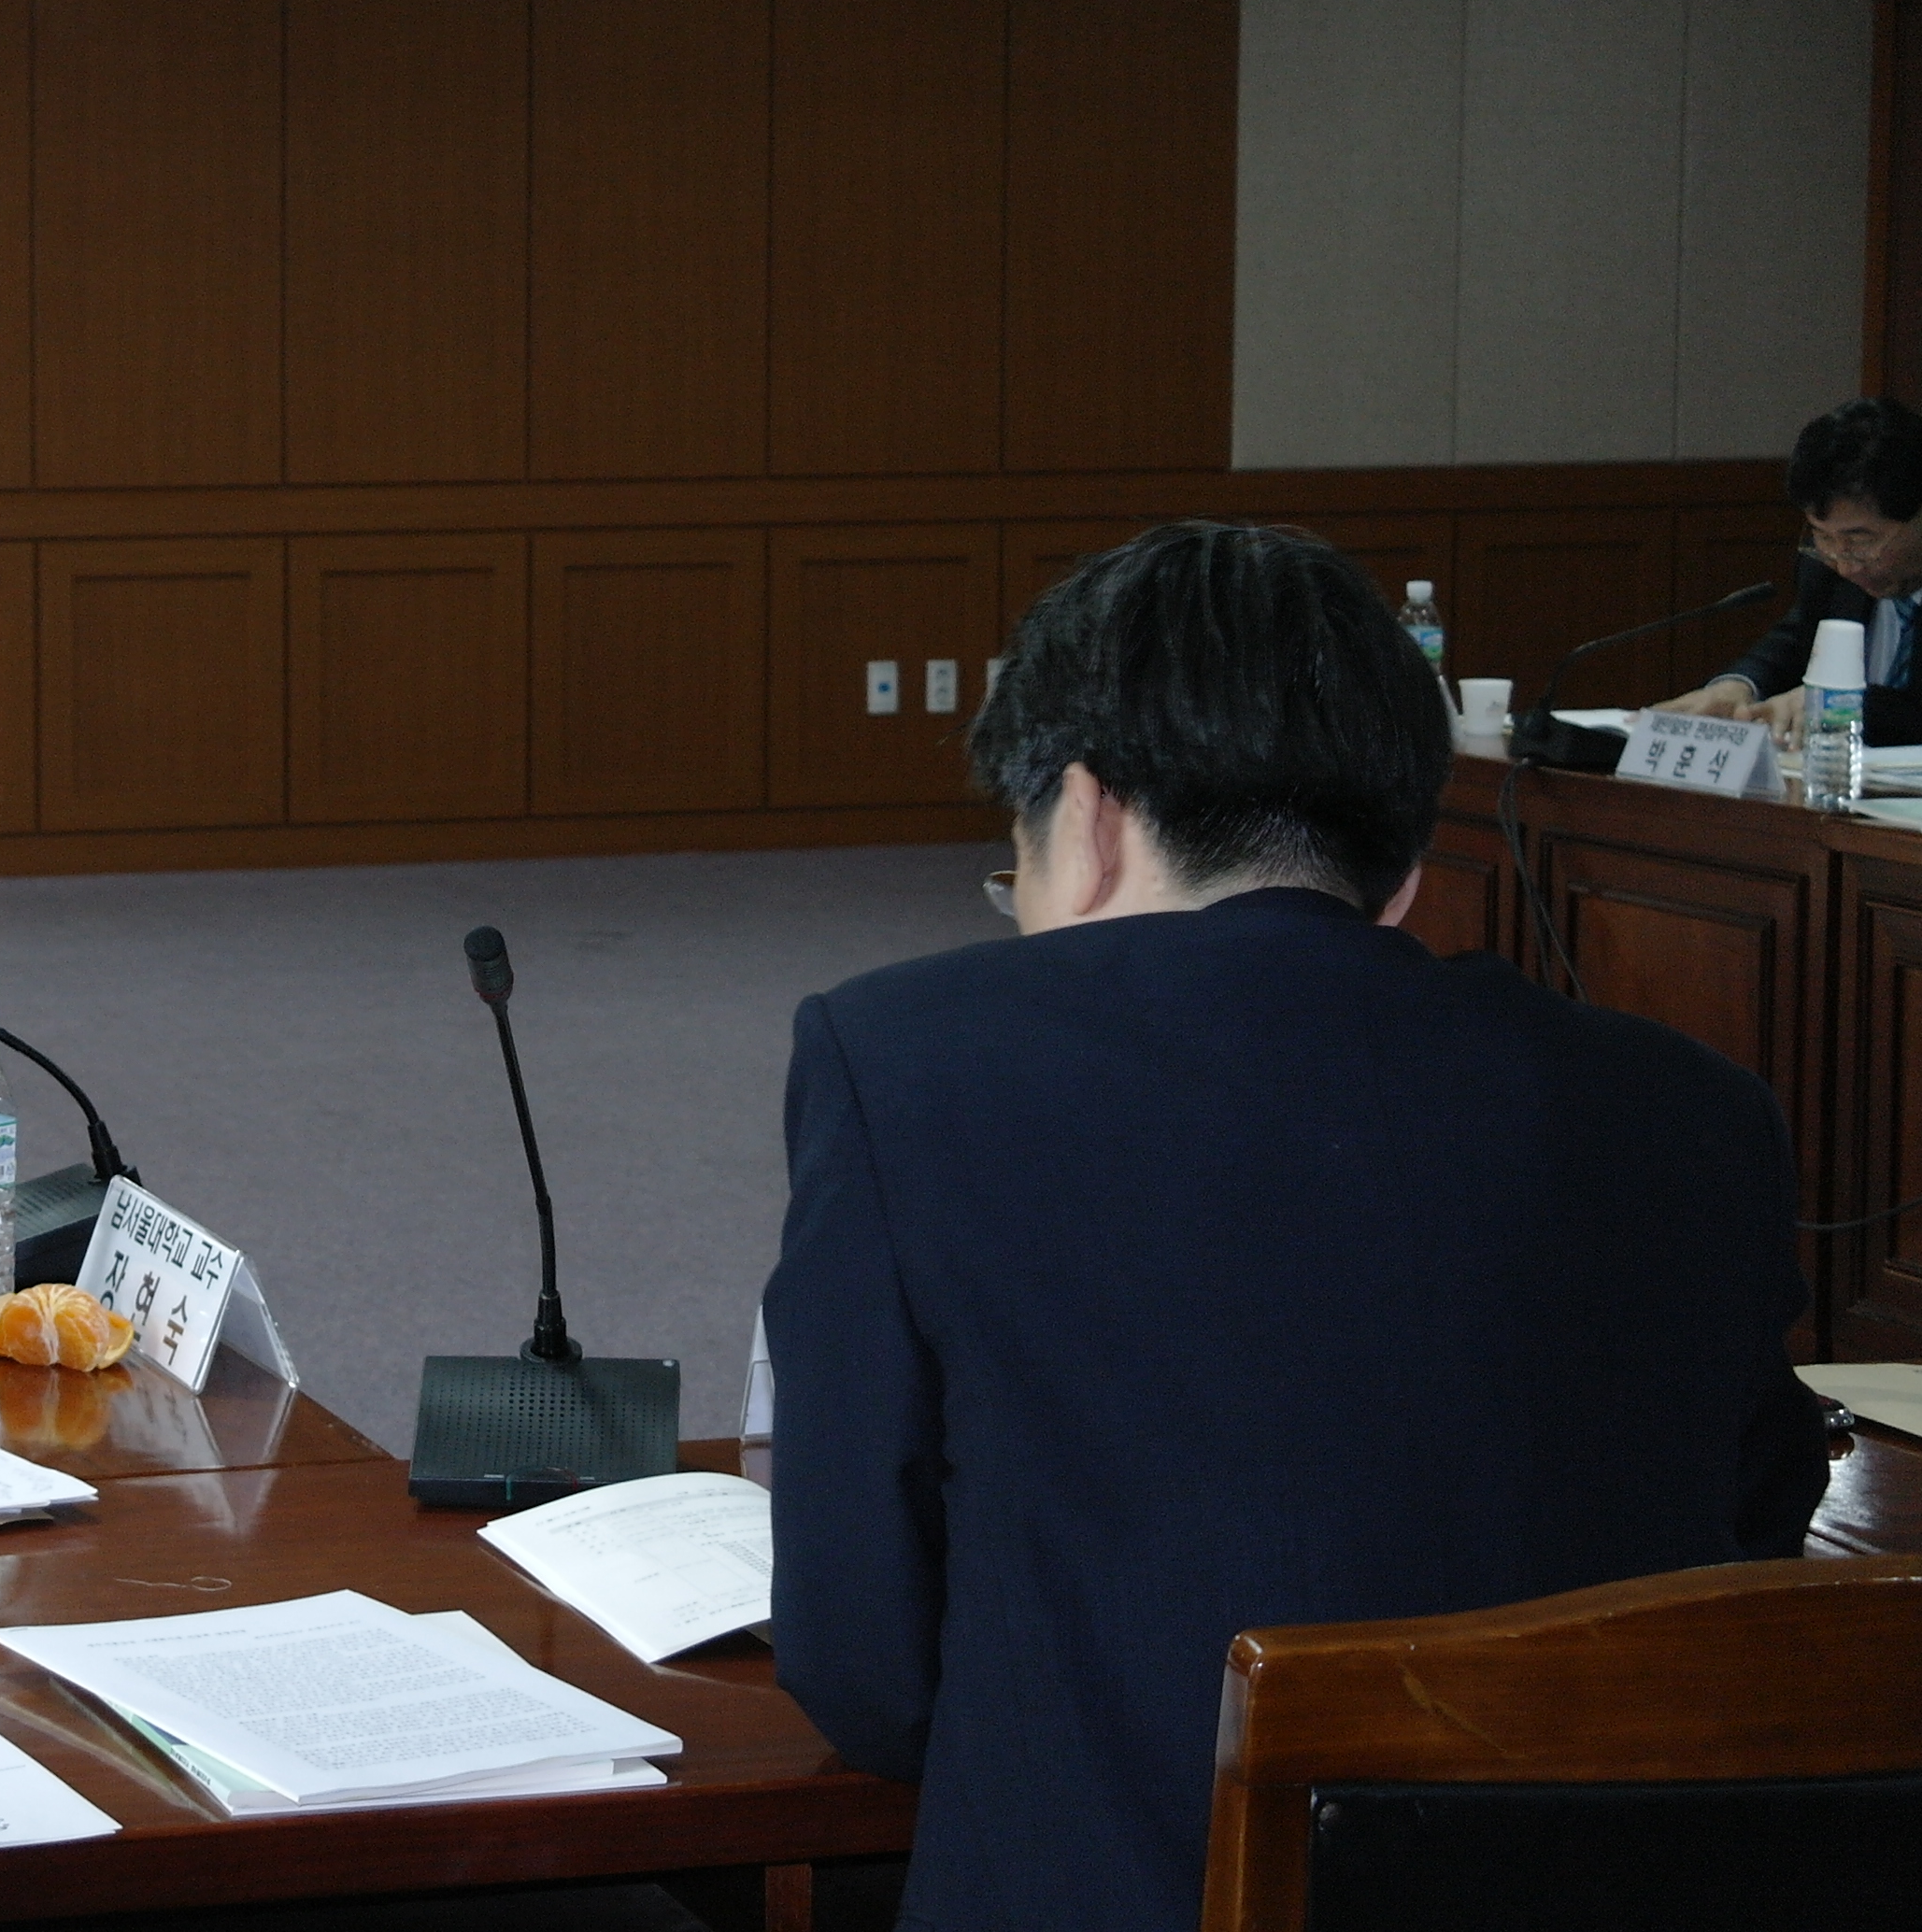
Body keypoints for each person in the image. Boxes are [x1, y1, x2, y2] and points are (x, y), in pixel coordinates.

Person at [763, 519, 1827, 1932]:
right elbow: (1744, 1549)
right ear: (1399, 876)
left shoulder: (904, 1059)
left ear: (1086, 820)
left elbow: (865, 1668)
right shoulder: (1697, 1109)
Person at [1655, 395, 1922, 745]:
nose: (1844, 564)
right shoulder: (1826, 569)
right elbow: (1797, 640)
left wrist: (1840, 703)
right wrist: (1738, 685)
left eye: (1861, 540)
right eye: (1822, 536)